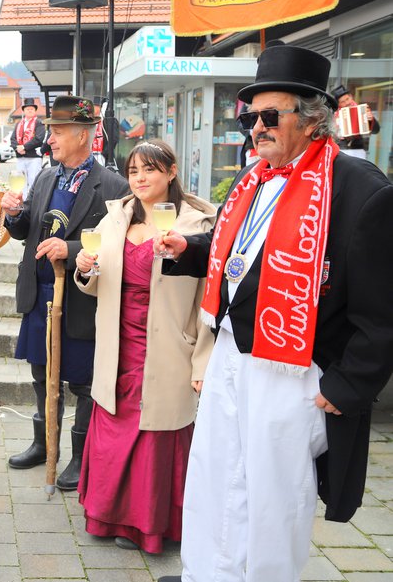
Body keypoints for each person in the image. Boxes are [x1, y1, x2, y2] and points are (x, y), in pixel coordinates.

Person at [155, 45, 393, 582]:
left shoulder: (361, 192)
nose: (255, 128)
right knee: (216, 474)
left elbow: (383, 313)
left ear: (312, 120)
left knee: (272, 496)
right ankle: (208, 572)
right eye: (249, 116)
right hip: (233, 353)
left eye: (269, 116)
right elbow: (235, 252)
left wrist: (349, 384)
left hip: (294, 371)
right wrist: (188, 251)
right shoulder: (253, 178)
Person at [73, 139, 215, 553]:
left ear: (171, 172)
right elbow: (95, 279)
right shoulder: (115, 218)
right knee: (113, 435)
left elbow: (209, 303)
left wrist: (201, 365)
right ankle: (108, 516)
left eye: (149, 170)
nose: (139, 178)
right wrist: (86, 267)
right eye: (133, 171)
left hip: (169, 346)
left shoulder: (198, 227)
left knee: (155, 435)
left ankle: (149, 526)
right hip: (118, 344)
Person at [0, 96, 129, 490]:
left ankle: (80, 456)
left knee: (83, 381)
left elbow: (119, 247)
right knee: (42, 373)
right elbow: (30, 233)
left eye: (56, 132)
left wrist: (71, 252)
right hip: (40, 294)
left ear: (83, 134)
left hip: (81, 299)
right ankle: (43, 442)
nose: (48, 139)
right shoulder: (45, 177)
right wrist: (14, 216)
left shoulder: (113, 185)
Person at [331, 84, 380, 159]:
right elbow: (330, 135)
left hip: (358, 148)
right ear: (339, 104)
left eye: (347, 99)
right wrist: (337, 130)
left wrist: (371, 120)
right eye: (343, 102)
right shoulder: (334, 115)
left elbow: (376, 131)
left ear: (351, 97)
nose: (347, 103)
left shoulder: (362, 110)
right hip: (341, 149)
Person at [10, 97, 46, 196]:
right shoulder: (19, 124)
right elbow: (12, 139)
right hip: (21, 157)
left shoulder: (39, 123)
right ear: (24, 110)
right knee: (21, 183)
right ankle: (23, 204)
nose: (30, 110)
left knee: (33, 181)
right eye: (27, 109)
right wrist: (18, 148)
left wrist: (24, 147)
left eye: (32, 109)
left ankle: (33, 205)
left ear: (35, 110)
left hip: (33, 157)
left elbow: (39, 139)